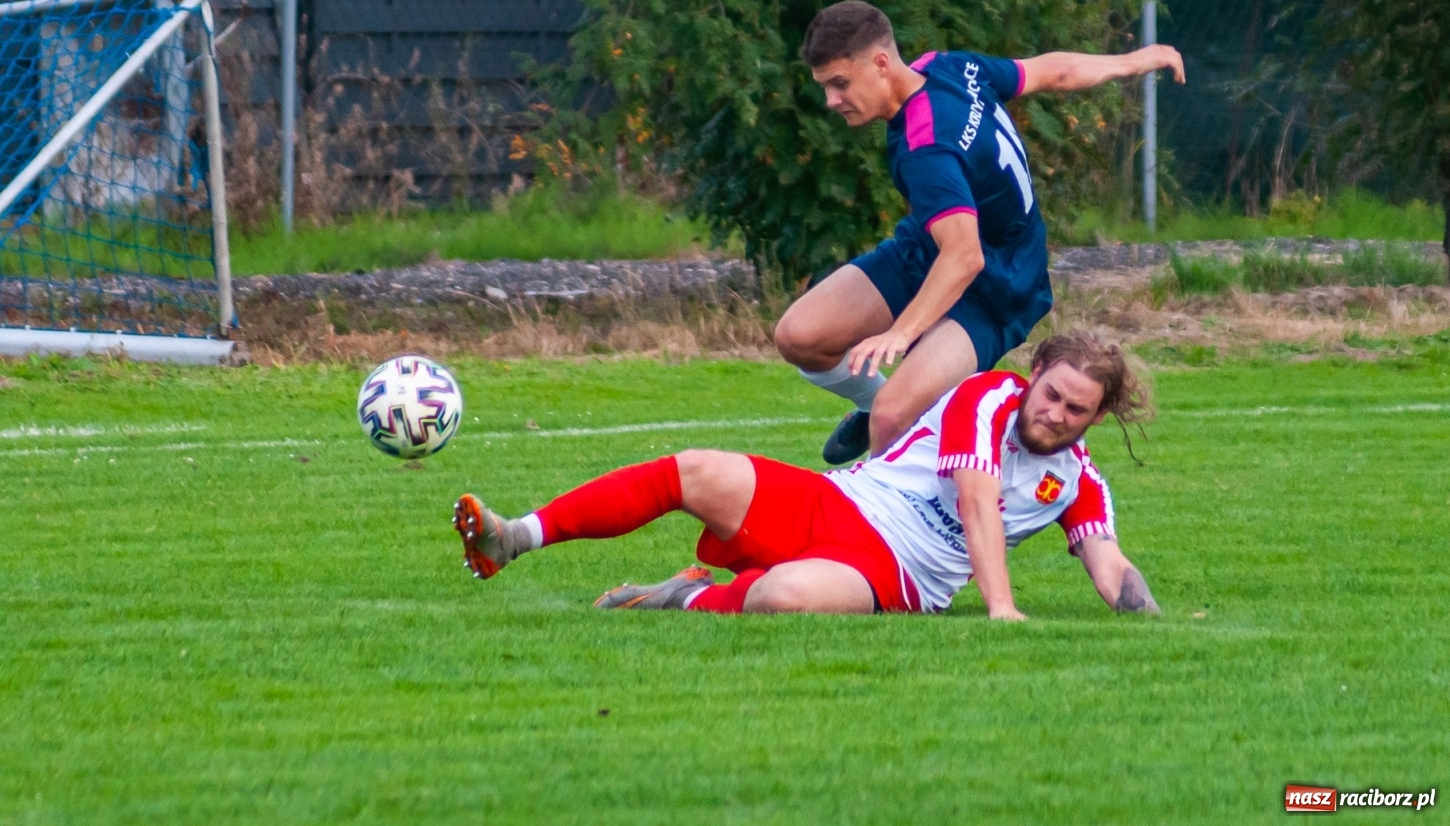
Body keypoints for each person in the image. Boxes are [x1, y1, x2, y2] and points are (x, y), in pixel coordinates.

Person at [453, 331, 1159, 618]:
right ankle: (513, 537)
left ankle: (678, 600)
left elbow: (1109, 567)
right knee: (694, 471)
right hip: (838, 500)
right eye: (1053, 395)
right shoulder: (990, 396)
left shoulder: (1079, 481)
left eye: (1077, 409)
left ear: (1098, 417)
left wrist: (1152, 619)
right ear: (1033, 376)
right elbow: (976, 500)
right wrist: (1002, 610)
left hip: (897, 577)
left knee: (783, 600)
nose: (1058, 414)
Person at [774, 0, 1185, 464]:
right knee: (799, 336)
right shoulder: (950, 67)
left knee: (893, 418)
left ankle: (888, 518)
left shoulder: (924, 147)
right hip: (931, 249)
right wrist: (1134, 61)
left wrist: (903, 333)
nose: (831, 100)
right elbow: (1054, 72)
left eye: (840, 84)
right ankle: (879, 407)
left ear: (881, 63)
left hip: (999, 285)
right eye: (826, 87)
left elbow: (966, 257)